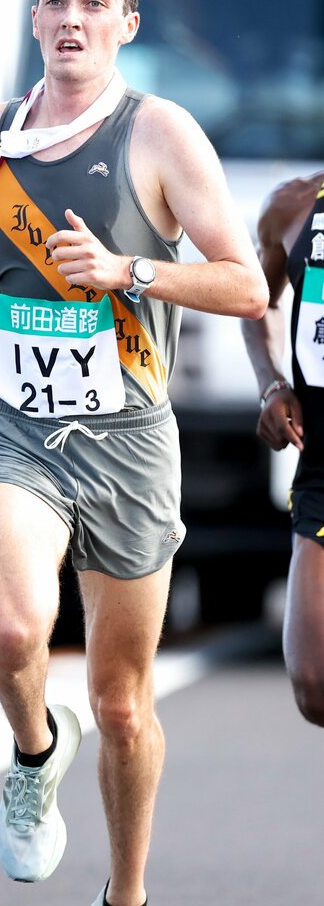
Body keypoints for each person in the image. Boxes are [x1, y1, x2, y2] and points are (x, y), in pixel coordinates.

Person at [0, 0, 265, 906]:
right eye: (56, 1)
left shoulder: (159, 135)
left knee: (119, 703)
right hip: (13, 424)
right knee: (16, 633)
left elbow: (245, 285)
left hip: (127, 440)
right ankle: (33, 753)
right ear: (34, 17)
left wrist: (128, 271)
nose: (72, 19)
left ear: (127, 25)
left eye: (92, 4)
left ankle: (128, 891)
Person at [243, 171, 324, 727]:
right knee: (313, 686)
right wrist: (272, 384)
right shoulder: (294, 205)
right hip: (320, 468)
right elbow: (255, 304)